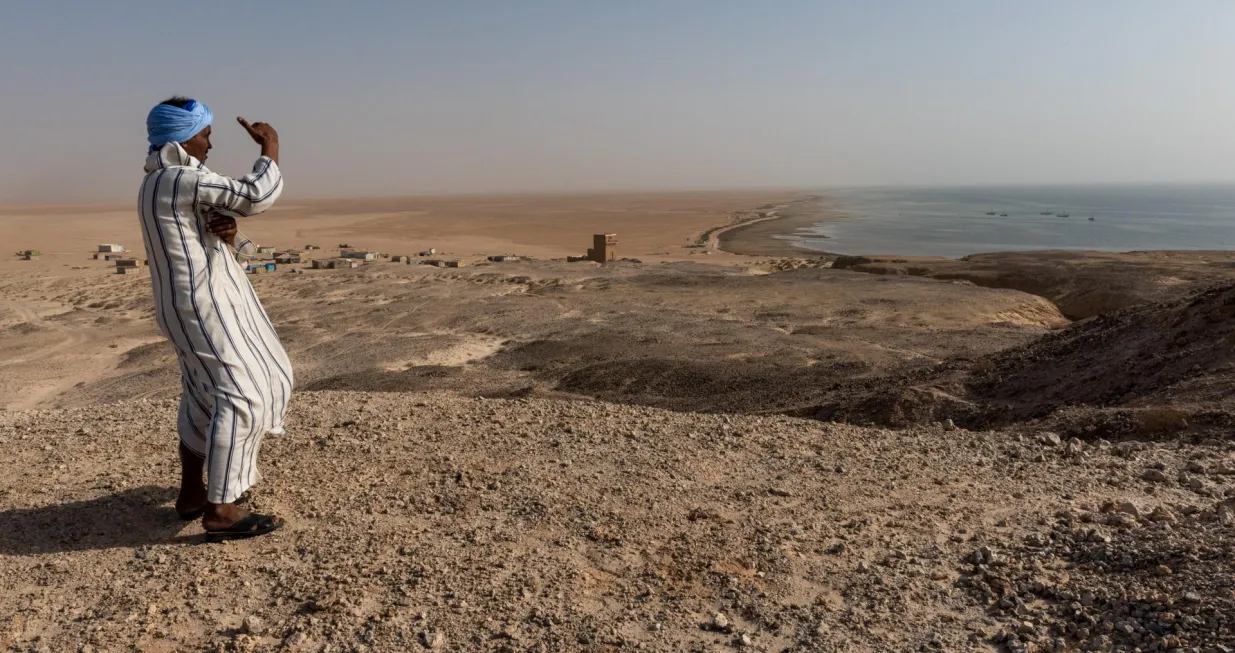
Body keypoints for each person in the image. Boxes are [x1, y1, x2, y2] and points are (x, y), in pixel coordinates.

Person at [138, 96, 292, 541]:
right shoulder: (176, 178)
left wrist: (233, 236)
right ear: (184, 137)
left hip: (196, 307)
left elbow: (217, 230)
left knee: (204, 395)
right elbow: (253, 195)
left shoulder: (162, 183)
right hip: (203, 307)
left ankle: (191, 493)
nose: (209, 144)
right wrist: (271, 147)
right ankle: (222, 510)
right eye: (205, 134)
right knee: (243, 393)